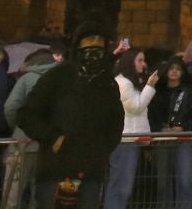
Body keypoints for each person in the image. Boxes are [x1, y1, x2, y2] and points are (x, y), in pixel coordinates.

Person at [14, 28, 126, 209]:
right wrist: (54, 138)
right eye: (89, 40)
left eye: (99, 42)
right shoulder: (57, 77)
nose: (94, 46)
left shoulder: (107, 84)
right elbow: (26, 114)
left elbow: (116, 123)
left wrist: (102, 149)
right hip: (56, 171)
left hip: (90, 173)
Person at [5, 42, 65, 209]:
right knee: (40, 195)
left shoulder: (26, 79)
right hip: (50, 144)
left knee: (13, 192)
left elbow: (11, 107)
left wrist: (17, 127)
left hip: (22, 144)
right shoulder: (60, 81)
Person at [109, 50, 159, 209]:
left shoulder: (130, 82)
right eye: (140, 60)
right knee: (121, 184)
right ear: (130, 62)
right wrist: (150, 86)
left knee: (125, 184)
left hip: (131, 138)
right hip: (125, 139)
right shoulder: (123, 83)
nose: (143, 64)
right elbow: (136, 106)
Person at [155, 58, 192, 209]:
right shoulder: (158, 92)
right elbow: (152, 115)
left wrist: (183, 128)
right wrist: (160, 129)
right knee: (162, 182)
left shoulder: (190, 93)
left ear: (183, 72)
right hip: (162, 139)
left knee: (184, 180)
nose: (174, 71)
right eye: (171, 68)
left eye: (178, 69)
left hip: (184, 139)